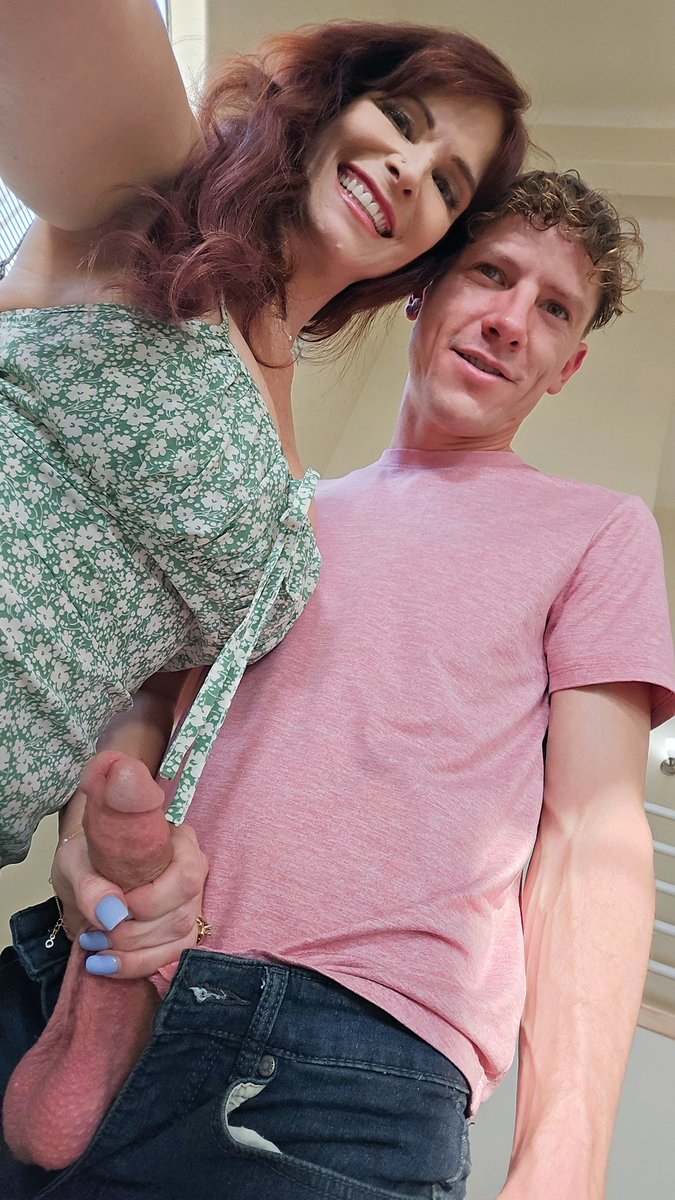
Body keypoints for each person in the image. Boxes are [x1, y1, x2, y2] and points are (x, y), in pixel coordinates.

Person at [4, 169, 674, 1200]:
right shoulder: (279, 506)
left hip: (346, 1058)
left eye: (553, 309)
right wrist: (90, 851)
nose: (509, 321)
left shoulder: (597, 532)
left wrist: (565, 1159)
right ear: (420, 291)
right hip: (91, 987)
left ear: (566, 366)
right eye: (489, 274)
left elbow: (594, 835)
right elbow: (154, 700)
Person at [0, 2, 529, 866]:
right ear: (327, 98)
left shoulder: (293, 473)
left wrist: (110, 839)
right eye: (402, 120)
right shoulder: (150, 207)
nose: (409, 170)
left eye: (446, 184)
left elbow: (135, 691)